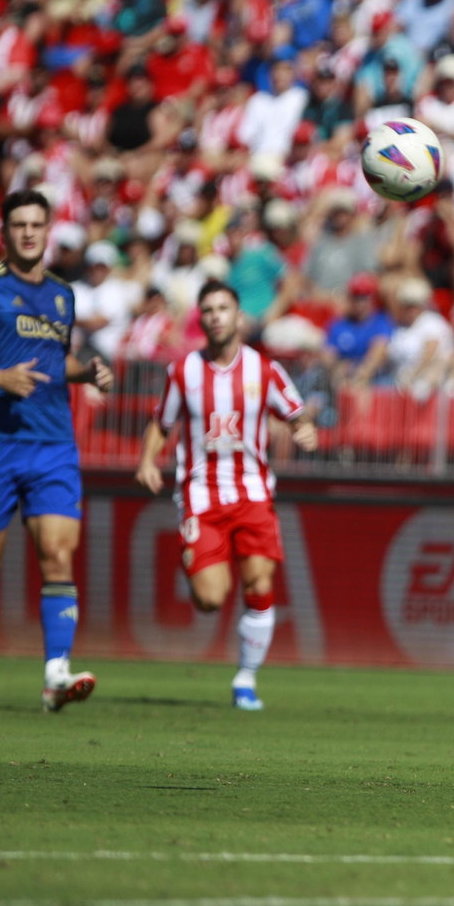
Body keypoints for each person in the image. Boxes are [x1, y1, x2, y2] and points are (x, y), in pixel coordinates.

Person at [134, 279, 318, 710]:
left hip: (253, 494)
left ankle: (245, 679)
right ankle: (204, 562)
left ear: (239, 317)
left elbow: (297, 413)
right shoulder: (183, 372)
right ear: (202, 319)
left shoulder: (265, 370)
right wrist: (146, 461)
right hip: (201, 496)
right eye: (209, 310)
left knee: (259, 583)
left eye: (223, 308)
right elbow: (162, 423)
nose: (216, 316)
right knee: (210, 599)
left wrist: (304, 428)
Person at [0, 190, 115, 711]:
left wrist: (90, 370)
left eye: (37, 224)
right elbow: (5, 368)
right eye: (19, 225)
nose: (28, 233)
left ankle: (56, 676)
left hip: (55, 444)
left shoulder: (63, 295)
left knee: (58, 555)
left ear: (48, 230)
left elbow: (57, 363)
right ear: (4, 232)